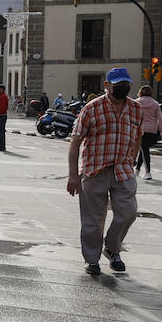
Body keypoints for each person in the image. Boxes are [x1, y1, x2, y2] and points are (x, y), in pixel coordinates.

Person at [66, 67, 142, 275]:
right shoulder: (92, 108)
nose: (123, 89)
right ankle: (92, 260)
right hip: (94, 170)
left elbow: (137, 136)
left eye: (126, 86)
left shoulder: (136, 109)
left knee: (128, 213)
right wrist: (74, 176)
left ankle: (112, 248)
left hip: (123, 171)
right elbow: (75, 142)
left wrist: (132, 159)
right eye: (118, 86)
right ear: (107, 85)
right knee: (93, 219)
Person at [133, 84, 162, 180]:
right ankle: (137, 170)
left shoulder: (136, 103)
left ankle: (148, 172)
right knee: (144, 149)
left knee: (144, 150)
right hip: (152, 130)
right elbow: (160, 119)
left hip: (140, 130)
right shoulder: (155, 104)